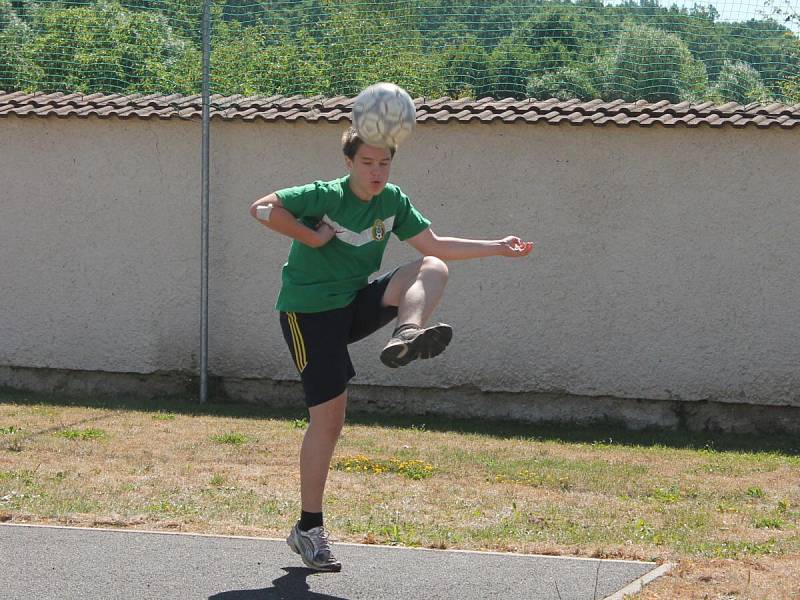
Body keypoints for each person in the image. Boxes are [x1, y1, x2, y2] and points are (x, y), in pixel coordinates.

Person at [249, 127, 533, 572]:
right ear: (349, 163)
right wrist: (314, 237)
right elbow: (262, 208)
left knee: (432, 265)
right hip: (307, 315)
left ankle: (407, 333)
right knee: (329, 422)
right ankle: (308, 528)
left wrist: (498, 247)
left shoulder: (393, 201)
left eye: (384, 163)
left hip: (352, 304)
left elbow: (436, 245)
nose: (377, 172)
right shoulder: (323, 196)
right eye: (367, 163)